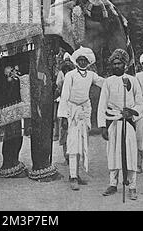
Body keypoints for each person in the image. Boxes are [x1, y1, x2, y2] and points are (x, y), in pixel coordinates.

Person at [98, 49, 143, 200]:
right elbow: (102, 105)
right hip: (114, 122)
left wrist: (131, 112)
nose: (117, 66)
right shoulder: (108, 82)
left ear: (125, 65)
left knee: (130, 153)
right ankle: (113, 184)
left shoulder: (133, 80)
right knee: (113, 153)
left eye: (120, 64)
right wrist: (103, 126)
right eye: (114, 64)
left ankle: (132, 186)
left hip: (128, 122)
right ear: (112, 65)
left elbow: (140, 103)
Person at [58, 46, 104, 190]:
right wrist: (64, 117)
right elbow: (65, 95)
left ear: (88, 61)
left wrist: (119, 81)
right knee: (72, 145)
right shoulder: (70, 75)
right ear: (76, 60)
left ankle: (78, 174)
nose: (82, 62)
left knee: (82, 143)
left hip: (84, 111)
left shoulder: (91, 75)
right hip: (72, 112)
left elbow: (104, 82)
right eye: (80, 60)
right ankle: (72, 177)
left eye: (85, 60)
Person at [54, 53, 74, 163]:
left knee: (72, 132)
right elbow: (58, 86)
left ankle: (72, 156)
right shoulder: (61, 74)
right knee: (64, 132)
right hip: (63, 103)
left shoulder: (75, 75)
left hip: (73, 105)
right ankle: (66, 157)